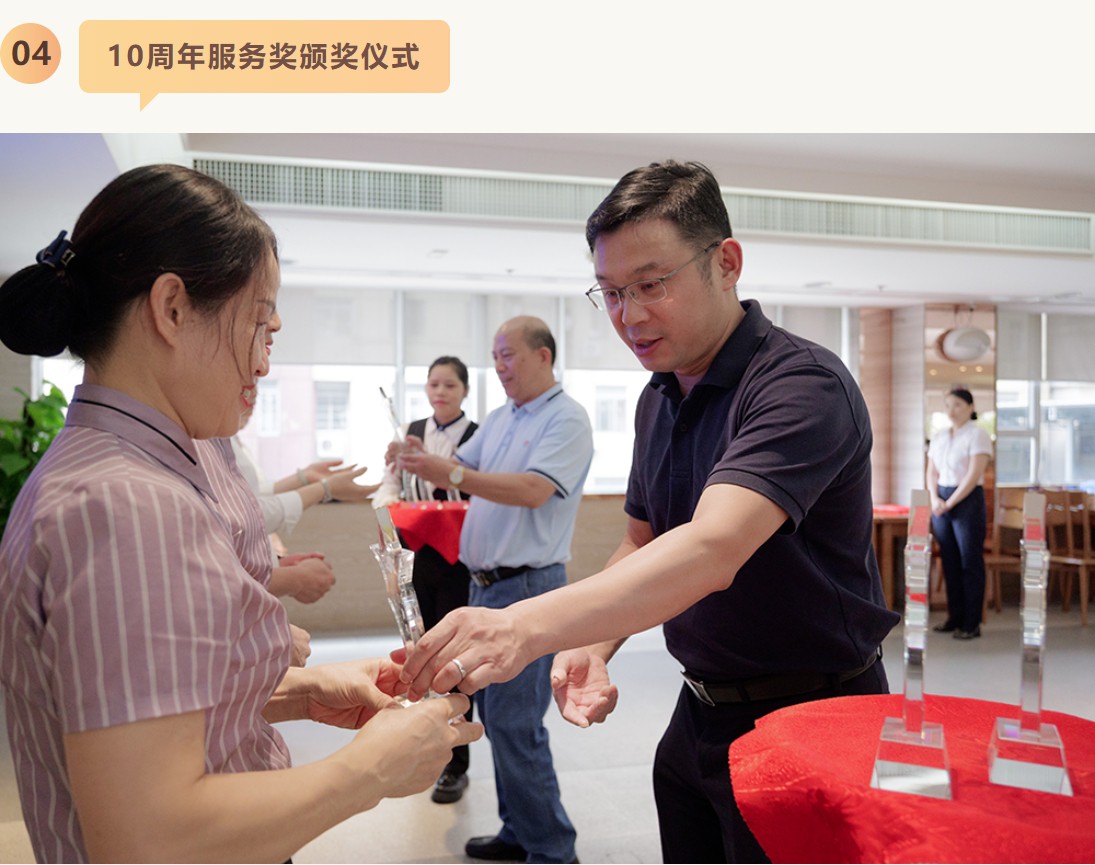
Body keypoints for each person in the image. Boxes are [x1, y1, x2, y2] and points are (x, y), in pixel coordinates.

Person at [400, 161, 899, 864]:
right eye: (610, 292)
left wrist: (523, 626)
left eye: (651, 284)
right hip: (699, 710)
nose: (628, 315)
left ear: (726, 263)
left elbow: (712, 548)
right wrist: (591, 644)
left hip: (813, 712)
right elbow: (643, 538)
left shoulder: (799, 385)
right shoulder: (659, 396)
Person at [0, 163, 480, 863]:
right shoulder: (127, 503)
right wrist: (371, 769)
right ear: (171, 308)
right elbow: (147, 837)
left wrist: (301, 690)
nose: (262, 364)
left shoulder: (129, 470)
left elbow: (143, 703)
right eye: (259, 326)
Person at [398, 317, 592, 864]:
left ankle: (553, 850)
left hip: (527, 587)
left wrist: (453, 474)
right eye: (495, 356)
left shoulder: (566, 418)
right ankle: (519, 832)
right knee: (497, 718)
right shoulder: (504, 417)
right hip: (484, 588)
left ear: (544, 356)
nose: (500, 367)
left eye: (509, 355)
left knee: (515, 723)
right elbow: (459, 467)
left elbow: (532, 490)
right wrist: (421, 458)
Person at [374, 355, 479, 803]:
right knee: (419, 647)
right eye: (434, 384)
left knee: (453, 654)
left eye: (449, 385)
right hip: (416, 554)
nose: (440, 392)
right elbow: (390, 485)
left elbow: (480, 489)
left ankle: (456, 762)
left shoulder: (478, 436)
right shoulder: (410, 432)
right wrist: (386, 512)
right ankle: (427, 747)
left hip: (460, 557)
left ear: (465, 391)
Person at [926, 387, 992, 640]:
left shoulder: (978, 435)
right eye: (948, 405)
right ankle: (954, 617)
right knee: (949, 561)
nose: (951, 411)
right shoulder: (940, 436)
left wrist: (950, 502)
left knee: (969, 561)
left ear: (970, 408)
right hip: (941, 500)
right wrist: (935, 498)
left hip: (967, 500)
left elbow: (973, 474)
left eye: (957, 405)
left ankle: (971, 623)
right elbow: (931, 471)